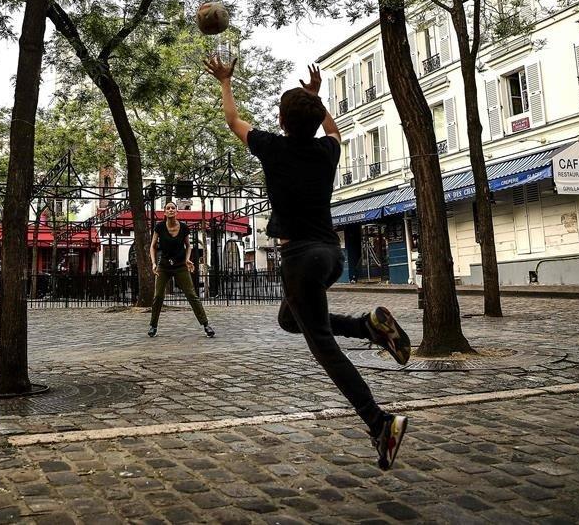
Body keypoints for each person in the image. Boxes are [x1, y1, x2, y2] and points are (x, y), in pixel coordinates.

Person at [204, 55, 413, 471]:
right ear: (315, 122)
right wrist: (317, 101)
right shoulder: (326, 150)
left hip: (299, 258)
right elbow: (333, 129)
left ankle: (380, 422)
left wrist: (226, 80)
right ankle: (365, 326)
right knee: (289, 320)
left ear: (281, 121)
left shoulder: (273, 147)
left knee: (324, 349)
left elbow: (231, 120)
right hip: (330, 255)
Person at [148, 201, 215, 338]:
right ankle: (153, 326)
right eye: (168, 208)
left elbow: (188, 246)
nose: (171, 210)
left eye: (173, 208)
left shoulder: (184, 227)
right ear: (165, 212)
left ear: (176, 212)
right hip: (164, 266)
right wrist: (154, 263)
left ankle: (206, 324)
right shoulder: (159, 227)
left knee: (191, 294)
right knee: (158, 296)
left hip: (180, 266)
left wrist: (187, 259)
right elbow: (153, 246)